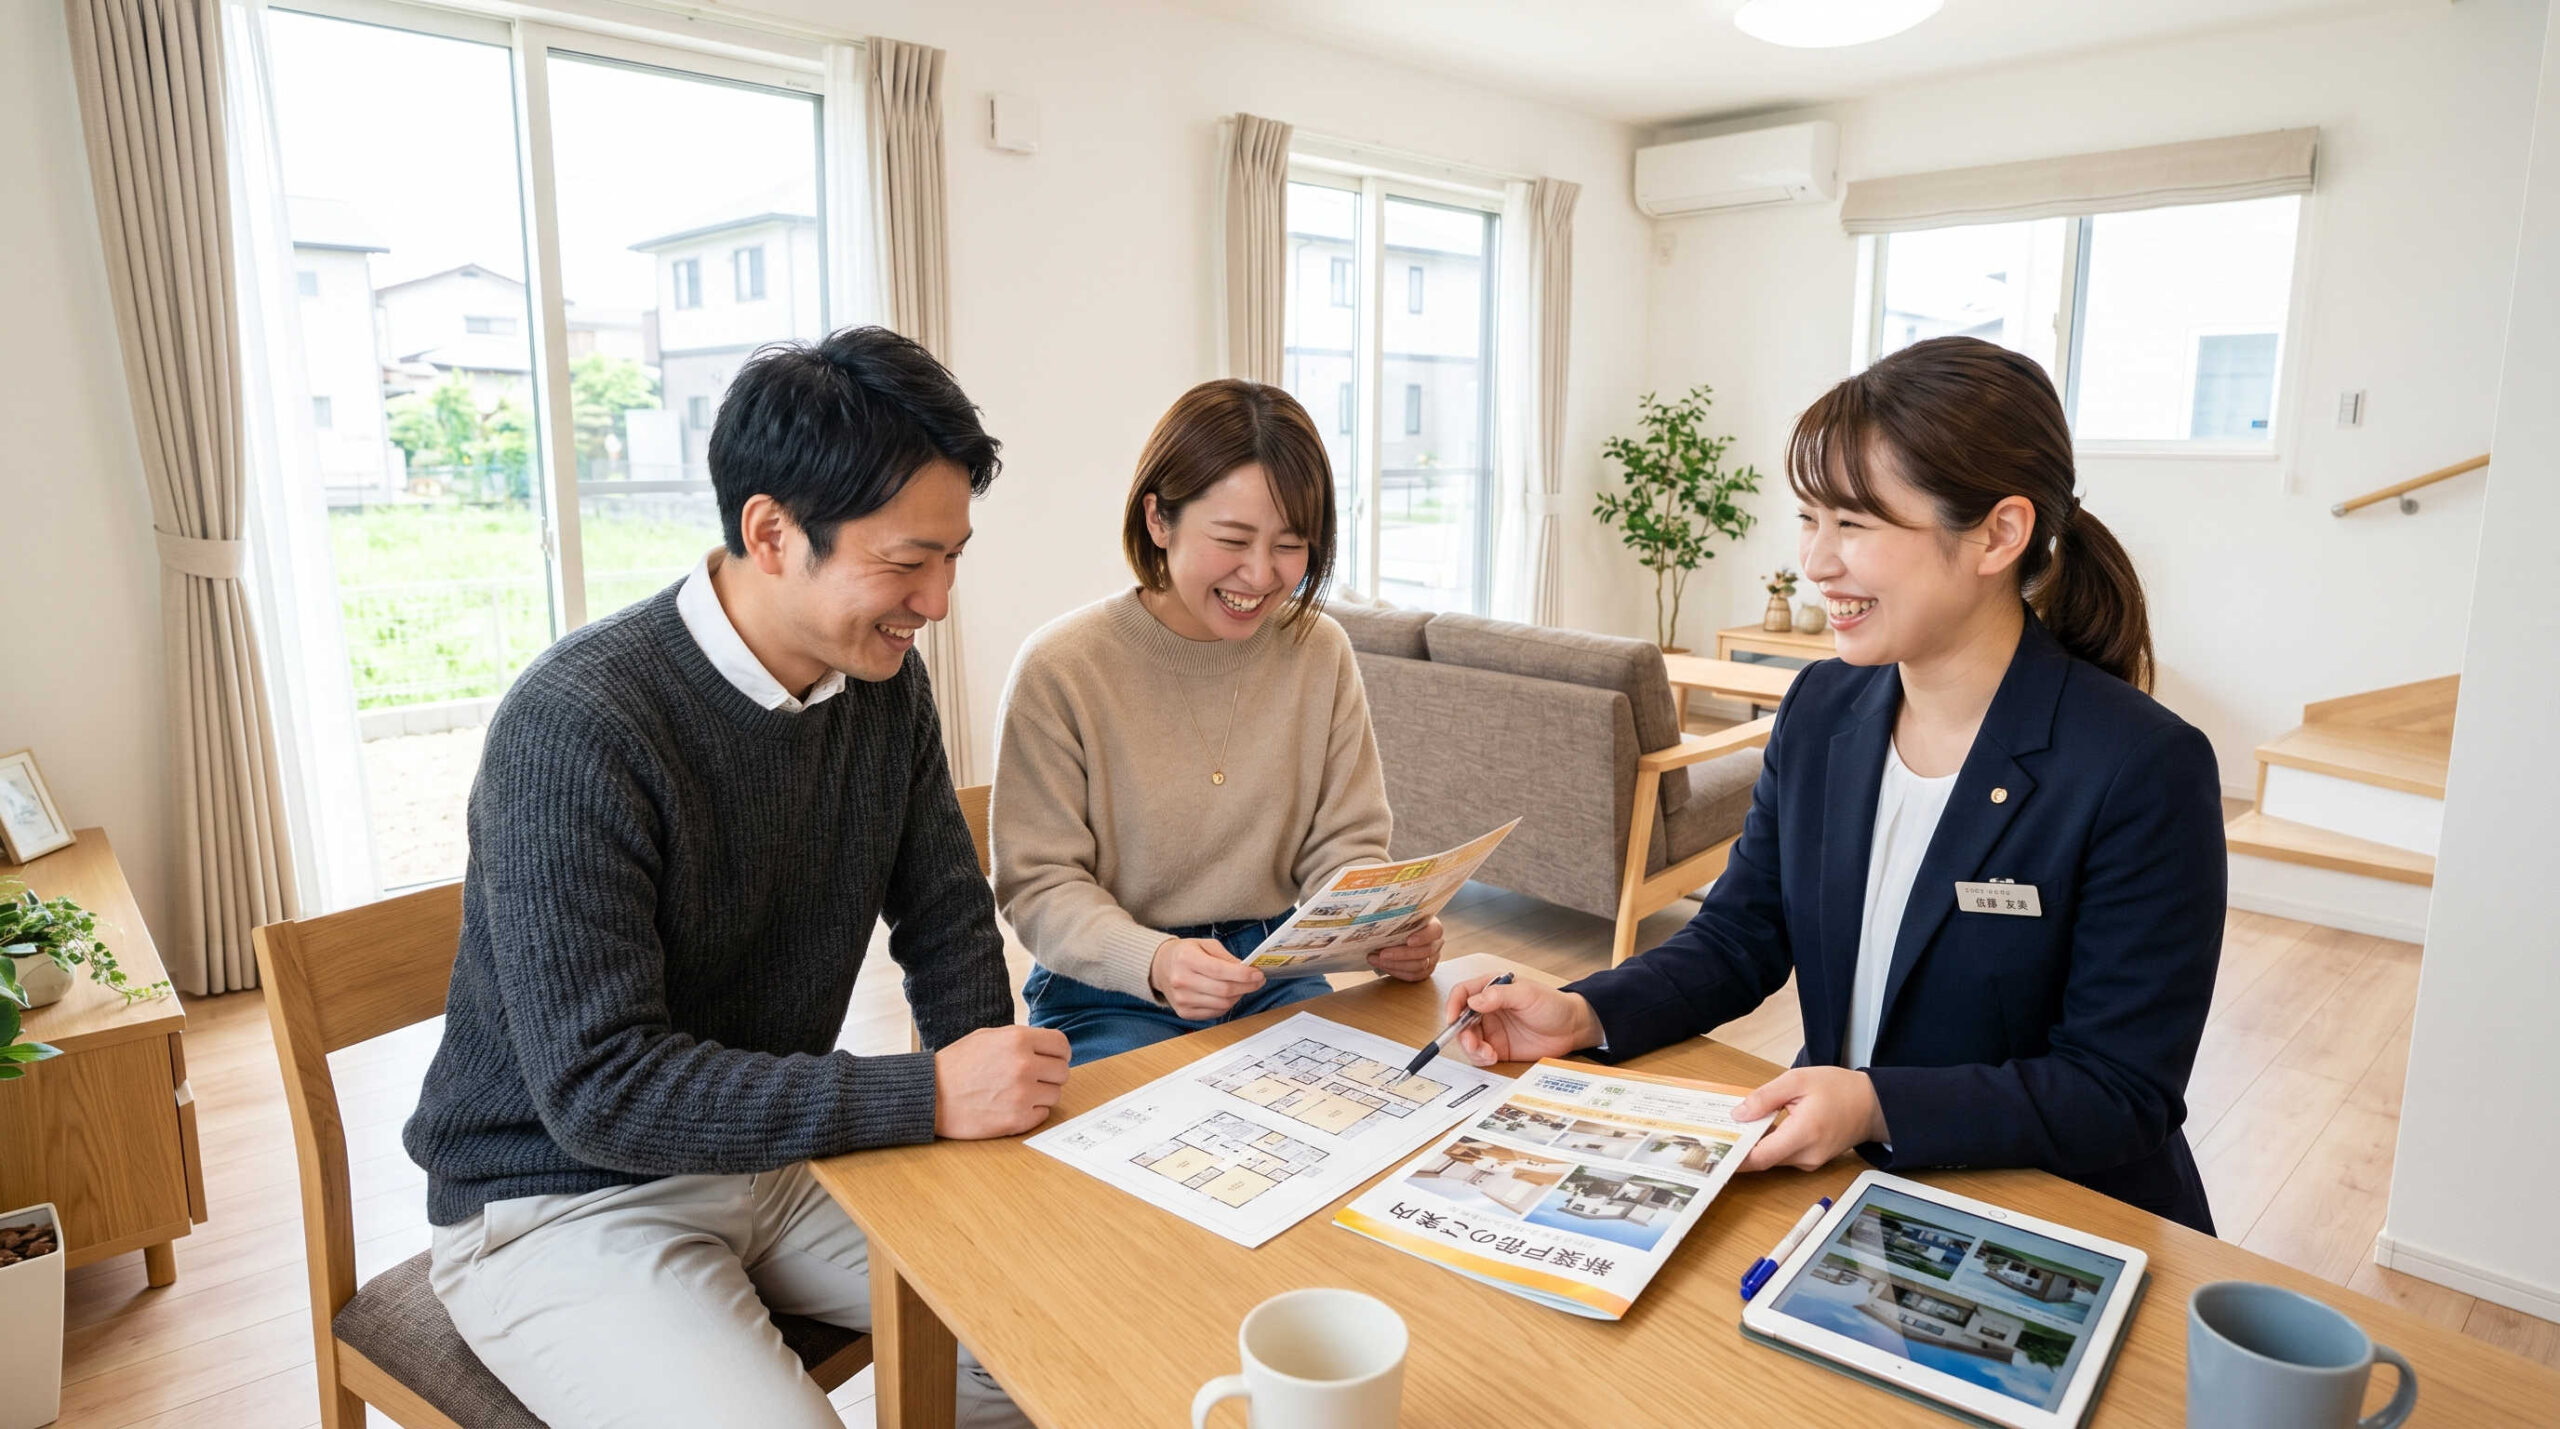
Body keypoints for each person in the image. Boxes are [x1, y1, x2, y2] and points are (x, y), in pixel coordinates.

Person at [404, 326, 1065, 1428]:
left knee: (1059, 1340)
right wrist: (927, 1095)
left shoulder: (880, 684)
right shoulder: (578, 725)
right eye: (907, 560)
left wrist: (976, 1151)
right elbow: (600, 1088)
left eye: (953, 555)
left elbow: (947, 920)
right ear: (770, 531)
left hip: (777, 1152)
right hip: (557, 1199)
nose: (939, 601)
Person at [1440, 336, 2226, 1234]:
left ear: (1999, 533)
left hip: (2054, 1215)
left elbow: (2118, 1089)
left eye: (1854, 525)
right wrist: (1583, 1011)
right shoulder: (1826, 706)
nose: (1817, 563)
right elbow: (1742, 933)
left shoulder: (2141, 766)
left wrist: (1876, 1104)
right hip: (1857, 1189)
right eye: (1809, 520)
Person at [993, 379, 1443, 1065]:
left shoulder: (1319, 652)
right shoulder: (1063, 666)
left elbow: (1346, 844)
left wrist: (1378, 926)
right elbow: (1040, 886)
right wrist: (1157, 960)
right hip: (1109, 988)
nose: (1261, 575)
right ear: (1158, 520)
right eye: (1232, 538)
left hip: (1273, 969)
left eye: (1292, 544)